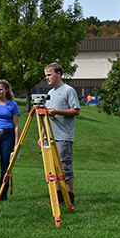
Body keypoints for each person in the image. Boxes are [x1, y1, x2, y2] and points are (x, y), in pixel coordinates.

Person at [39, 63, 81, 205]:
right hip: (49, 136)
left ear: (59, 74)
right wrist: (42, 135)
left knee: (64, 168)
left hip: (63, 136)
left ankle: (68, 198)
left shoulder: (68, 90)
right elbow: (47, 117)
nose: (47, 78)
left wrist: (57, 112)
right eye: (46, 76)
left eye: (49, 75)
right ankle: (57, 199)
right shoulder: (50, 93)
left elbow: (76, 110)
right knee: (52, 169)